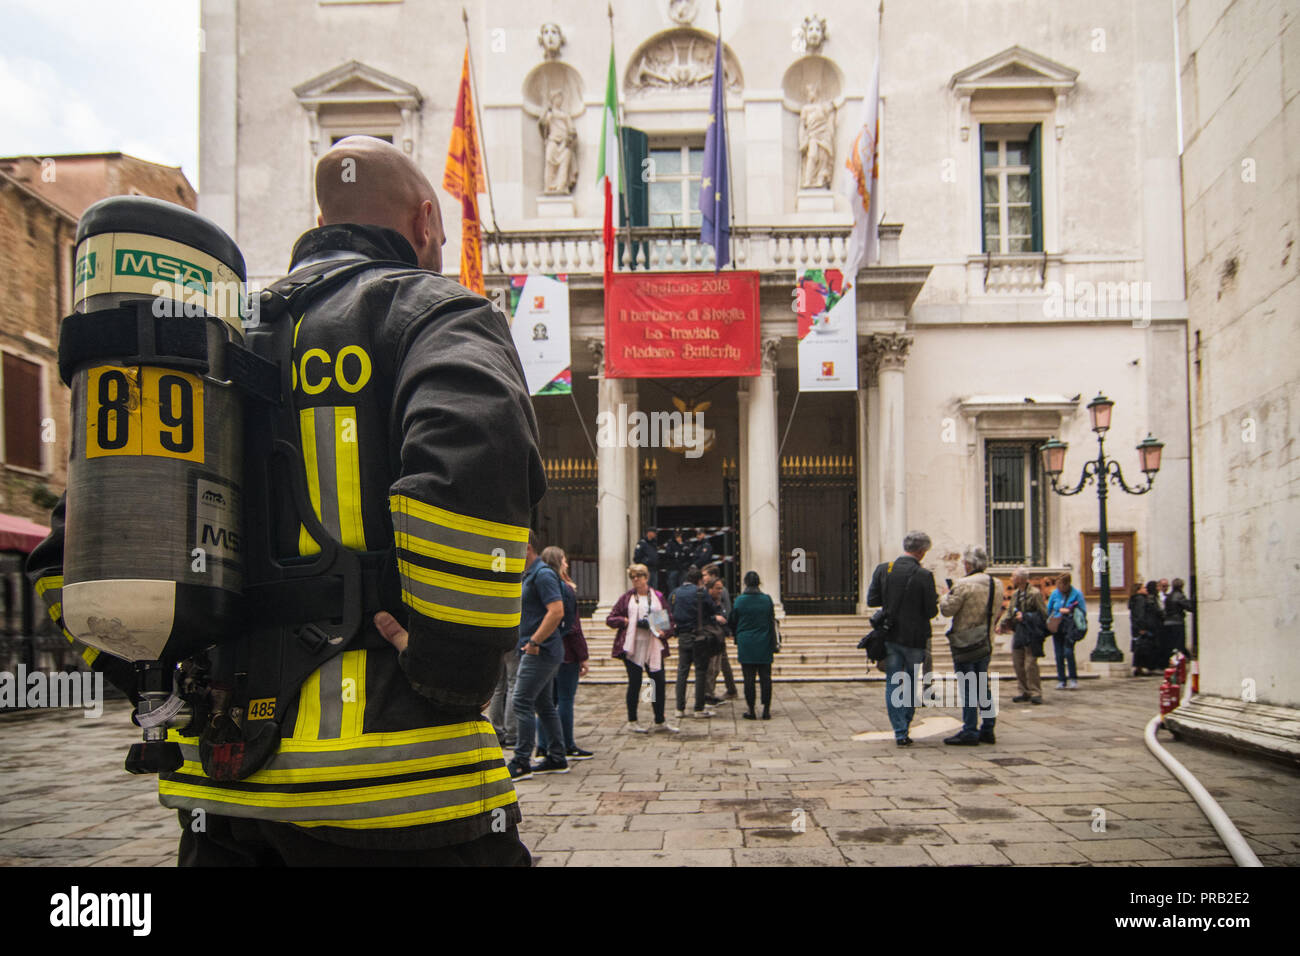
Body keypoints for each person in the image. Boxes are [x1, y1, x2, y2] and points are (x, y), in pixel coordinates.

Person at [29, 135, 546, 864]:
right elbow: (475, 458)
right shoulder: (437, 310)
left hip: (226, 805)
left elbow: (72, 545)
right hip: (408, 797)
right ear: (427, 223)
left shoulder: (213, 334)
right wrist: (455, 666)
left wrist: (153, 670)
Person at [866, 531, 940, 746]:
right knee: (909, 680)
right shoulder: (924, 576)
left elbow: (872, 600)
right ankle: (905, 724)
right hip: (915, 638)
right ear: (921, 551)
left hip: (890, 635)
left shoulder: (884, 569)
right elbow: (931, 611)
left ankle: (899, 729)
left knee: (893, 682)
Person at [508, 536, 569, 780]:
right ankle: (557, 756)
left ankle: (522, 760)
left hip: (540, 651)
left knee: (521, 700)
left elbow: (557, 611)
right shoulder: (530, 575)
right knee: (543, 705)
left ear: (527, 548)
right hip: (540, 649)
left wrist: (535, 641)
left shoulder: (542, 575)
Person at [939, 546, 1004, 745]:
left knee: (968, 685)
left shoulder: (964, 584)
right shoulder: (997, 583)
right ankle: (988, 726)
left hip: (965, 641)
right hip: (986, 639)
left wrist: (944, 595)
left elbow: (948, 610)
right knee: (982, 684)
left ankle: (969, 729)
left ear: (968, 564)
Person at [606, 563, 678, 733]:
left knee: (657, 683)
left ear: (646, 577)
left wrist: (663, 631)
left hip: (653, 644)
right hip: (633, 645)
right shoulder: (627, 598)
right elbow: (611, 618)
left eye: (638, 576)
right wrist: (625, 621)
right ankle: (632, 720)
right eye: (632, 576)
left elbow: (668, 621)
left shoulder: (657, 596)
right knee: (635, 683)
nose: (635, 579)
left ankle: (659, 720)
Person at [537, 549, 593, 760]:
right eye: (565, 561)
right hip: (565, 652)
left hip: (545, 650)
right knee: (565, 699)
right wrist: (583, 655)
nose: (567, 565)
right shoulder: (565, 589)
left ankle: (543, 745)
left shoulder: (539, 585)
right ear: (559, 562)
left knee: (546, 702)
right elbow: (572, 627)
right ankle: (567, 744)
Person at [670, 566, 726, 719]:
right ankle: (698, 708)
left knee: (682, 672)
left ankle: (679, 708)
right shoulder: (700, 593)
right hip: (699, 636)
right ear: (699, 580)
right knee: (700, 672)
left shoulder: (675, 593)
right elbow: (712, 610)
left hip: (683, 636)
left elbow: (669, 610)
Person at [728, 571, 777, 720]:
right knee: (765, 677)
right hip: (764, 641)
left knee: (748, 678)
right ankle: (766, 709)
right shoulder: (766, 600)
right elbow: (771, 619)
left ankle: (751, 709)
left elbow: (733, 619)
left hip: (746, 642)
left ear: (745, 583)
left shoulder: (740, 601)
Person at [997, 567, 1048, 704]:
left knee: (1030, 664)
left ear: (1020, 579)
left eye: (1013, 576)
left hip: (1031, 632)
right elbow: (1009, 610)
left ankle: (1035, 692)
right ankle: (1024, 691)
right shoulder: (1015, 594)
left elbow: (1043, 614)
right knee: (1018, 662)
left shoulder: (1035, 593)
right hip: (1019, 631)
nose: (1012, 579)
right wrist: (1001, 623)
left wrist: (1026, 616)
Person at [702, 565, 738, 704]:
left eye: (705, 575)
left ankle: (711, 693)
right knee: (722, 662)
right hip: (715, 631)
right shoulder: (706, 591)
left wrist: (727, 627)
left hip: (717, 631)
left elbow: (726, 610)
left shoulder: (720, 591)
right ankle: (729, 689)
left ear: (712, 576)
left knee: (717, 664)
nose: (703, 577)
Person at [1047, 572, 1087, 689]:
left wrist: (1069, 611)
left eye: (1060, 585)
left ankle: (1073, 678)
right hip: (1058, 626)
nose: (1058, 588)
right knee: (1059, 654)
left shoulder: (1077, 594)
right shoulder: (1054, 594)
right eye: (1057, 585)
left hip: (1070, 627)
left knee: (1068, 652)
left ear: (1067, 584)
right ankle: (1061, 679)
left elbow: (1082, 611)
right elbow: (1049, 609)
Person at [1162, 578, 1193, 660]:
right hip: (1177, 622)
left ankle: (1173, 661)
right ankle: (1179, 661)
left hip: (1167, 622)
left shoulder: (1168, 597)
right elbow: (1189, 607)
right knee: (1179, 644)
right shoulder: (1179, 596)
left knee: (1171, 644)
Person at [633, 529, 661, 593]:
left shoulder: (654, 543)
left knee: (653, 589)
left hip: (654, 569)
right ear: (649, 533)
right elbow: (636, 558)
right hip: (646, 570)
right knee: (645, 588)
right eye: (654, 533)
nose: (655, 535)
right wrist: (645, 562)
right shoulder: (642, 543)